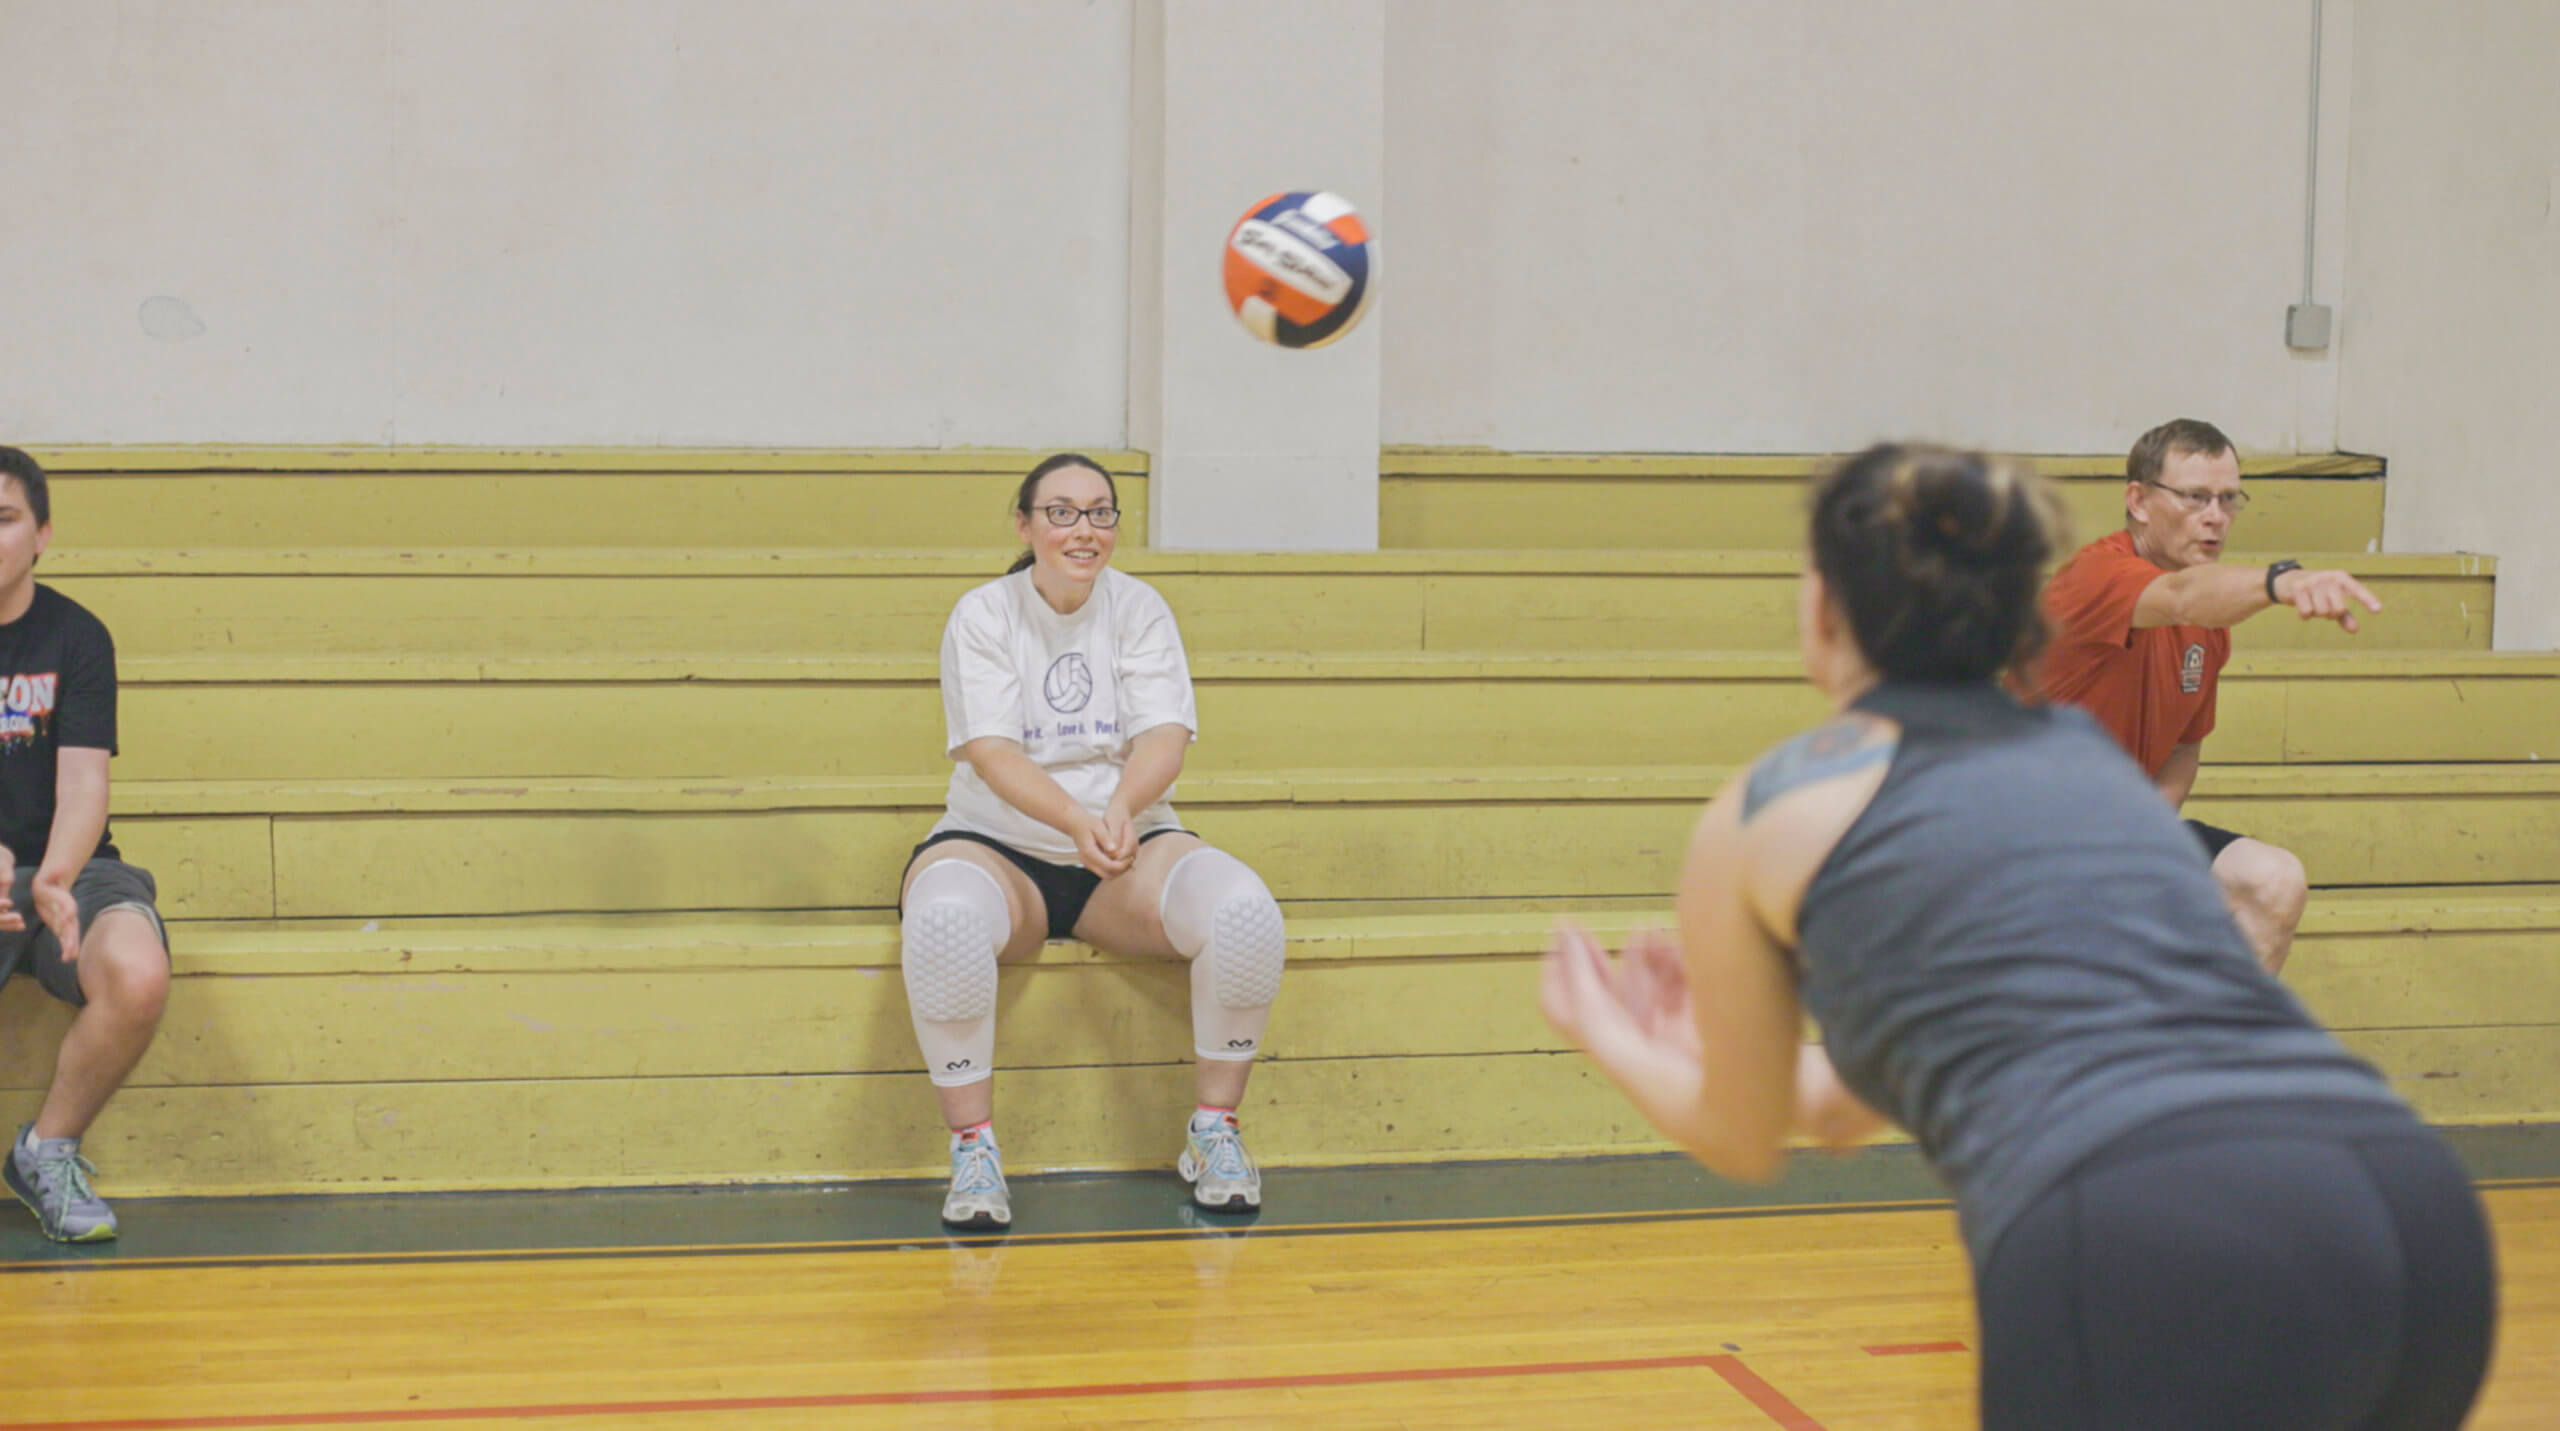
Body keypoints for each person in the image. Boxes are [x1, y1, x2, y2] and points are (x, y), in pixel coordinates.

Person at [1541, 444, 2494, 1429]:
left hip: (2140, 1216)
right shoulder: (2083, 764)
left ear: (1823, 606)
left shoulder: (1773, 803)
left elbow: (1742, 1140)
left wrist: (1611, 1032)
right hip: (2407, 1202)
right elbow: (1850, 1102)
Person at [897, 452, 1286, 1229]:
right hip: (998, 848)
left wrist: (1119, 808)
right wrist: (1075, 820)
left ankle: (1215, 1131)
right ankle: (974, 1150)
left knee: (1244, 913)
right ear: (1026, 524)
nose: (1084, 528)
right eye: (1062, 511)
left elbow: (1165, 737)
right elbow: (991, 750)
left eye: (1100, 511)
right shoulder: (984, 613)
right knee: (943, 920)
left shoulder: (1140, 608)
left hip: (1126, 851)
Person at [2038, 418, 2380, 972]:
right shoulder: (2095, 577)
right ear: (2139, 500)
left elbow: (2182, 747)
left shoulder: (2211, 625)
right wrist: (2282, 582)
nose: (2215, 517)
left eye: (2227, 499)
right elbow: (2179, 596)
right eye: (2195, 497)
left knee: (2272, 879)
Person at [0, 446, 173, 1244]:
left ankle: (47, 1150)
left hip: (73, 871)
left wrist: (58, 876)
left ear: (41, 534)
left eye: (5, 520)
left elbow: (83, 786)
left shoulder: (77, 638)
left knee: (137, 972)